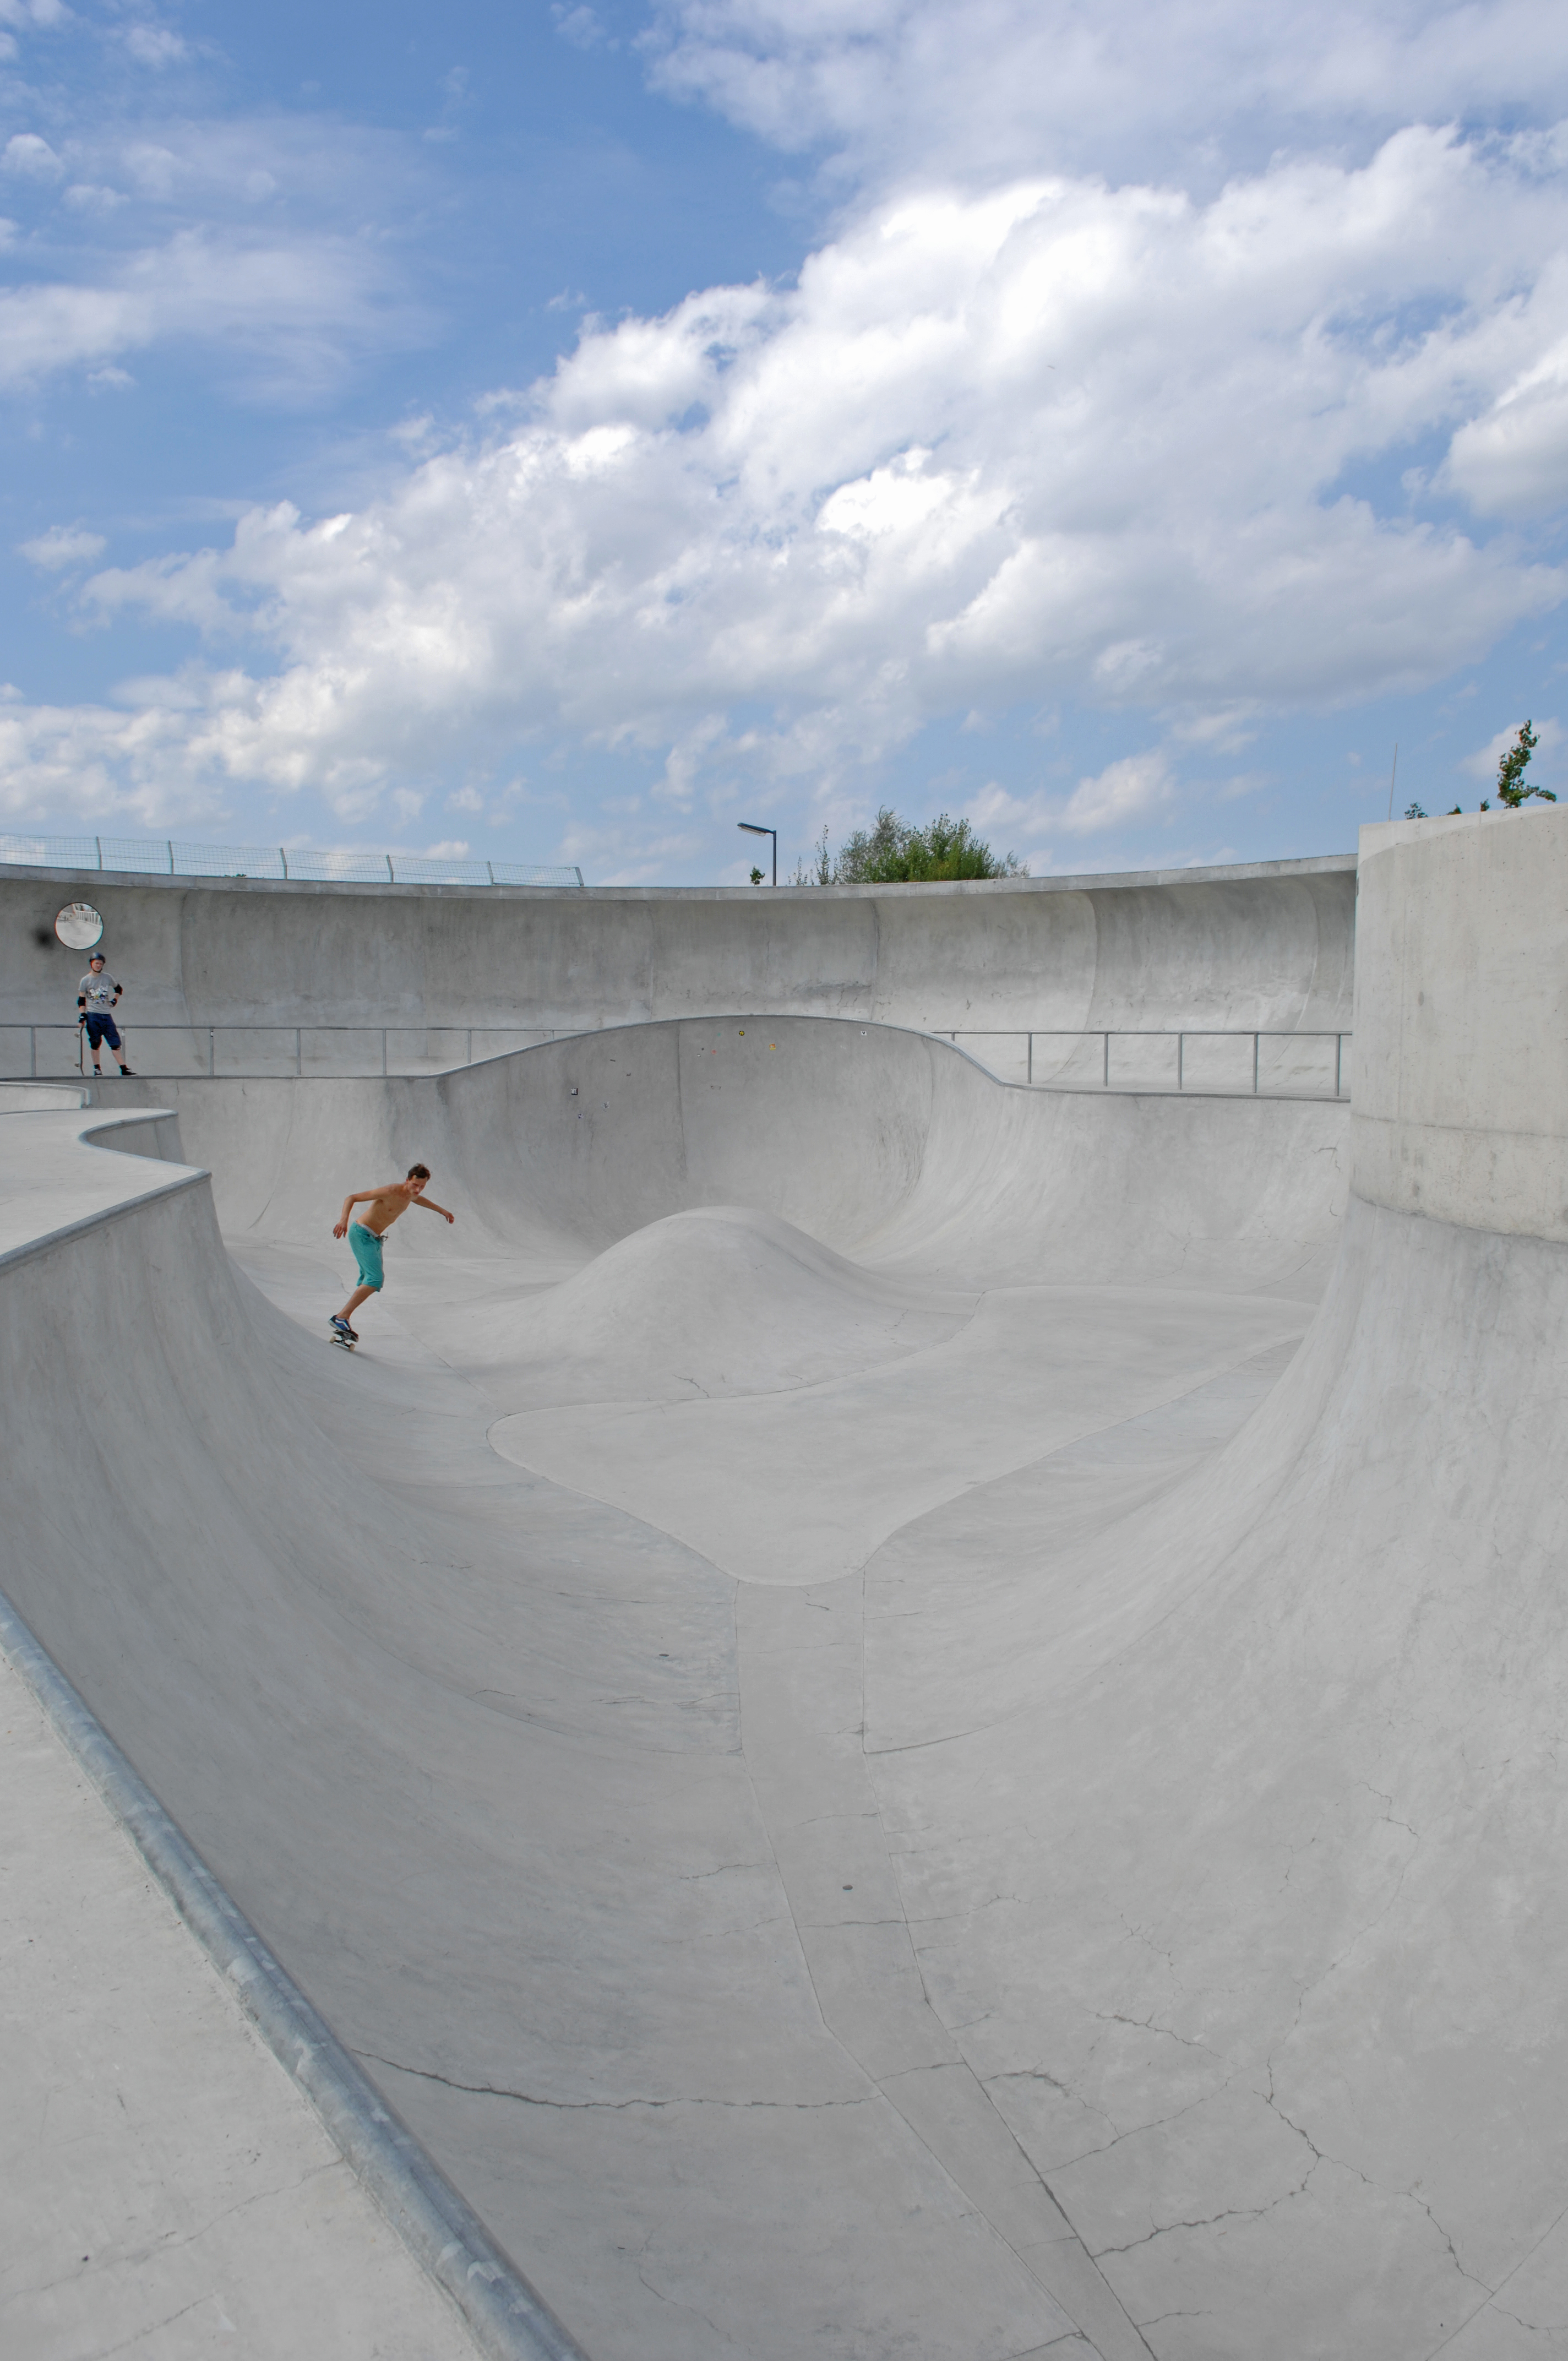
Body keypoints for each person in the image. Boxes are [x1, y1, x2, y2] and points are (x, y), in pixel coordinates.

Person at [330, 1162, 455, 1343]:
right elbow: (352, 1198)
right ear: (407, 1181)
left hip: (374, 1240)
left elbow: (419, 1200)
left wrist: (442, 1211)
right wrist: (343, 1220)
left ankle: (344, 1318)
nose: (418, 1190)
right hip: (361, 1233)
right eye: (415, 1185)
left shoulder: (412, 1195)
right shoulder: (390, 1191)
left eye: (422, 1187)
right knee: (375, 1279)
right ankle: (341, 1318)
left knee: (370, 1280)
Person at [77, 950, 135, 1075]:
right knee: (96, 1042)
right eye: (96, 963)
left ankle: (124, 1068)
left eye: (101, 964)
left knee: (115, 1043)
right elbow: (81, 1000)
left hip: (106, 1015)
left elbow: (118, 989)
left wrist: (115, 1000)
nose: (98, 966)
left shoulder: (107, 977)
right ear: (91, 964)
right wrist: (83, 1015)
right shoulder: (85, 981)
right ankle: (97, 1069)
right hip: (93, 1015)